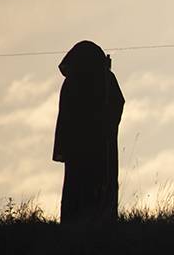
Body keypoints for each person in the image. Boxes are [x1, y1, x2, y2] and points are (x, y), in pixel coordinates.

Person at [52, 40, 125, 223]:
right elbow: (117, 105)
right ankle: (99, 221)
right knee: (97, 184)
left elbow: (65, 118)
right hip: (97, 144)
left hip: (81, 146)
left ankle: (79, 222)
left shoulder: (75, 82)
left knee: (80, 186)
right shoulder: (105, 79)